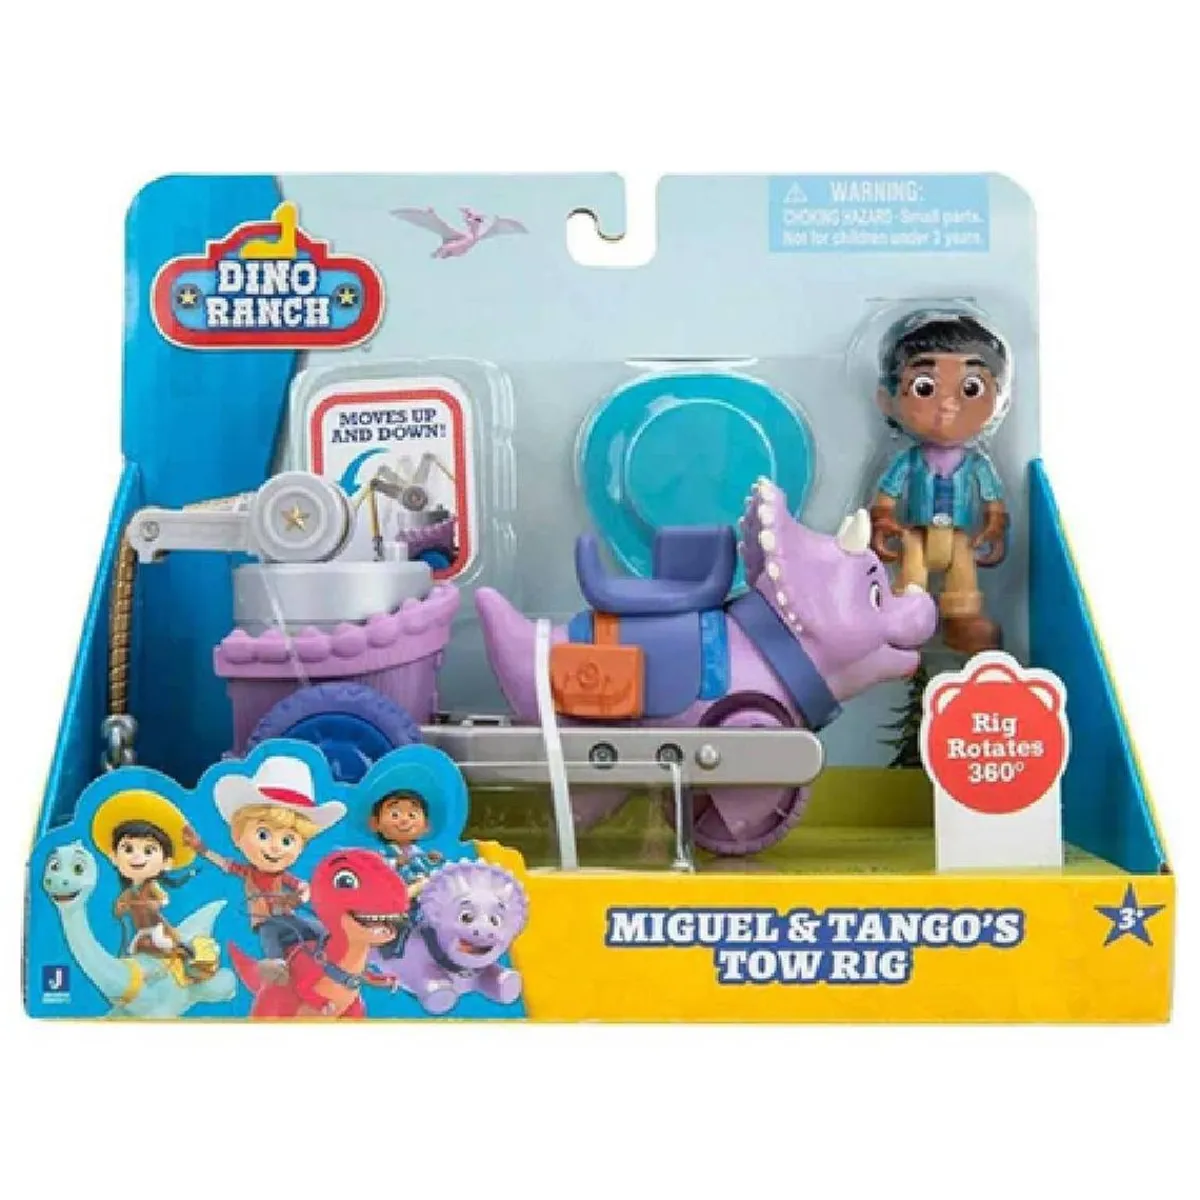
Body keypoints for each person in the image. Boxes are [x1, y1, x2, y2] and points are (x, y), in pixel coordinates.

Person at [870, 311, 1011, 654]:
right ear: (888, 401)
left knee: (963, 574)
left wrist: (995, 526)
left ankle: (962, 622)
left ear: (999, 399)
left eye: (971, 388)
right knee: (912, 574)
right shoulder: (908, 461)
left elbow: (993, 503)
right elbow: (886, 498)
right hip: (916, 535)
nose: (948, 404)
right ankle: (906, 620)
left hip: (960, 537)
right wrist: (883, 521)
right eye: (925, 388)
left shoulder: (977, 464)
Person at [184, 754, 346, 963]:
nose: (275, 847)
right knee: (271, 942)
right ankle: (278, 969)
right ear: (238, 837)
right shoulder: (248, 872)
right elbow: (225, 864)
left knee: (321, 930)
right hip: (265, 921)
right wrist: (203, 850)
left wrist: (298, 898)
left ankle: (328, 960)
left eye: (287, 840)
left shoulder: (283, 876)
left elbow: (304, 887)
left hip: (287, 917)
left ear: (301, 847)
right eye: (263, 835)